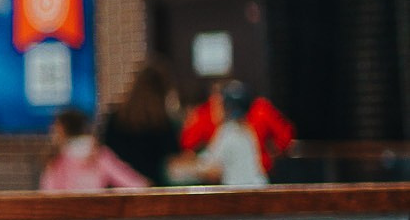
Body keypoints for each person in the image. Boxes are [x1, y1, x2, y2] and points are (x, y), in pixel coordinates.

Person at [179, 76, 294, 171]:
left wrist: (269, 154)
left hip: (257, 175)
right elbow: (188, 145)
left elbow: (285, 137)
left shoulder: (260, 110)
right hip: (225, 177)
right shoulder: (209, 114)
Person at [99, 59, 182, 187]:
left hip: (118, 190)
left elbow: (105, 152)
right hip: (152, 190)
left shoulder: (114, 117)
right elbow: (173, 156)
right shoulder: (163, 122)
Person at [39, 107, 148, 191]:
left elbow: (48, 194)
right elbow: (134, 183)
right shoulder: (100, 154)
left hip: (64, 216)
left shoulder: (57, 158)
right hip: (96, 215)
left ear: (61, 131)